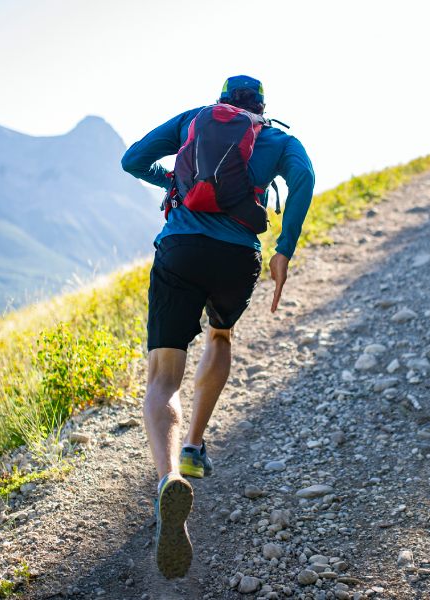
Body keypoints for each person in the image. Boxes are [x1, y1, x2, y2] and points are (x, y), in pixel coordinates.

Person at [121, 75, 315, 579]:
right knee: (220, 336)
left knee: (163, 375)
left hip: (181, 249)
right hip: (236, 258)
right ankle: (193, 449)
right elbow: (305, 180)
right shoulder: (279, 140)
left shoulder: (193, 120)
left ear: (223, 103)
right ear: (262, 109)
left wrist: (174, 183)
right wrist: (284, 250)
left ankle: (167, 482)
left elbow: (132, 159)